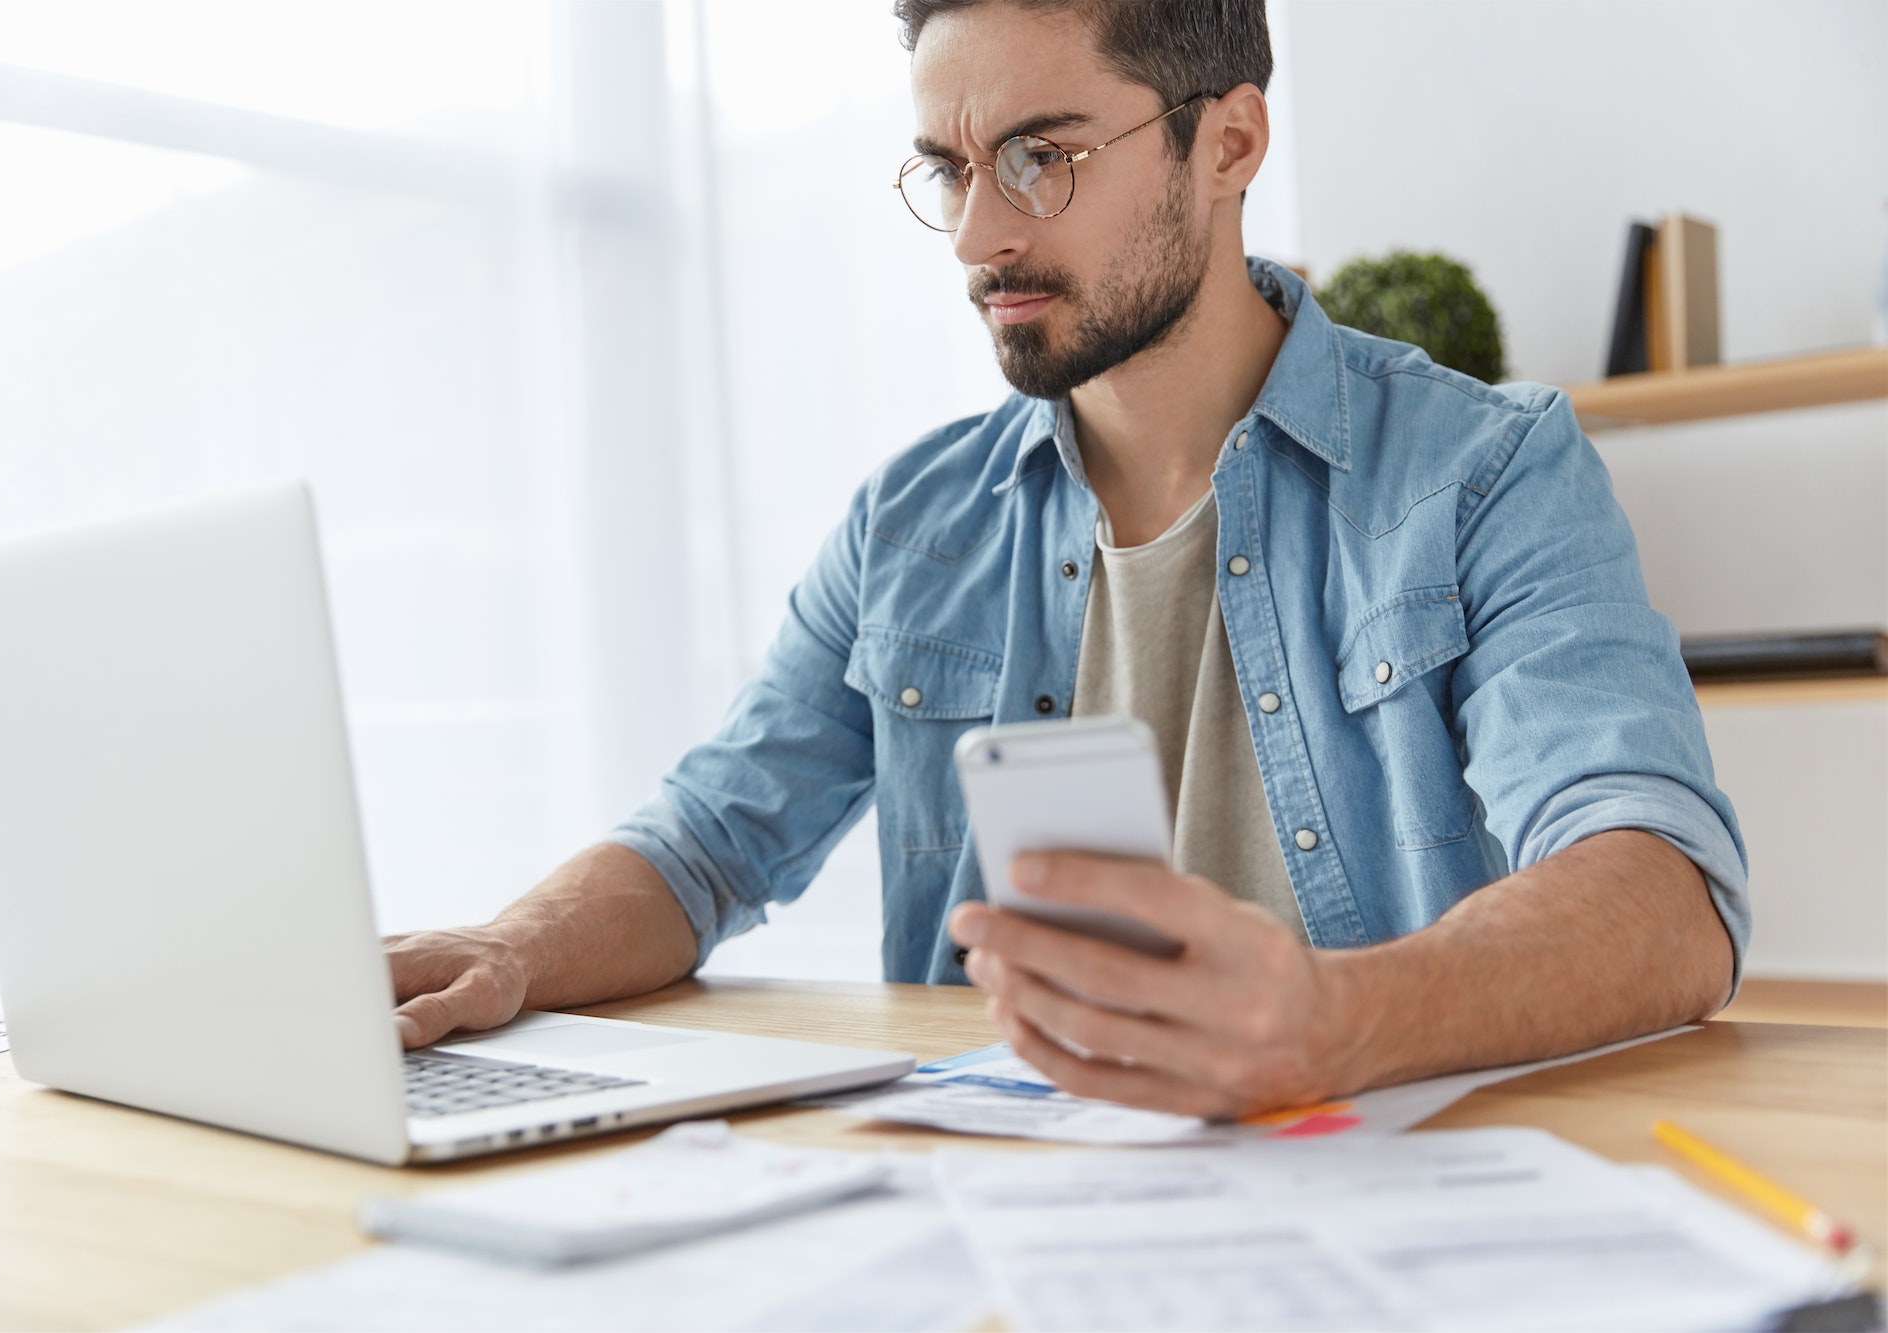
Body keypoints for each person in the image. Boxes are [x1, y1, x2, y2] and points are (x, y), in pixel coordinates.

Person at [386, 0, 1746, 1118]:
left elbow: (1661, 890)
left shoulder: (1488, 471)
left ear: (1230, 142)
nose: (981, 234)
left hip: (1374, 1179)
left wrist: (1334, 1020)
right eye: (949, 169)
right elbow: (704, 847)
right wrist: (514, 948)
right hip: (1000, 1189)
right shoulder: (908, 522)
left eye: (1044, 155)